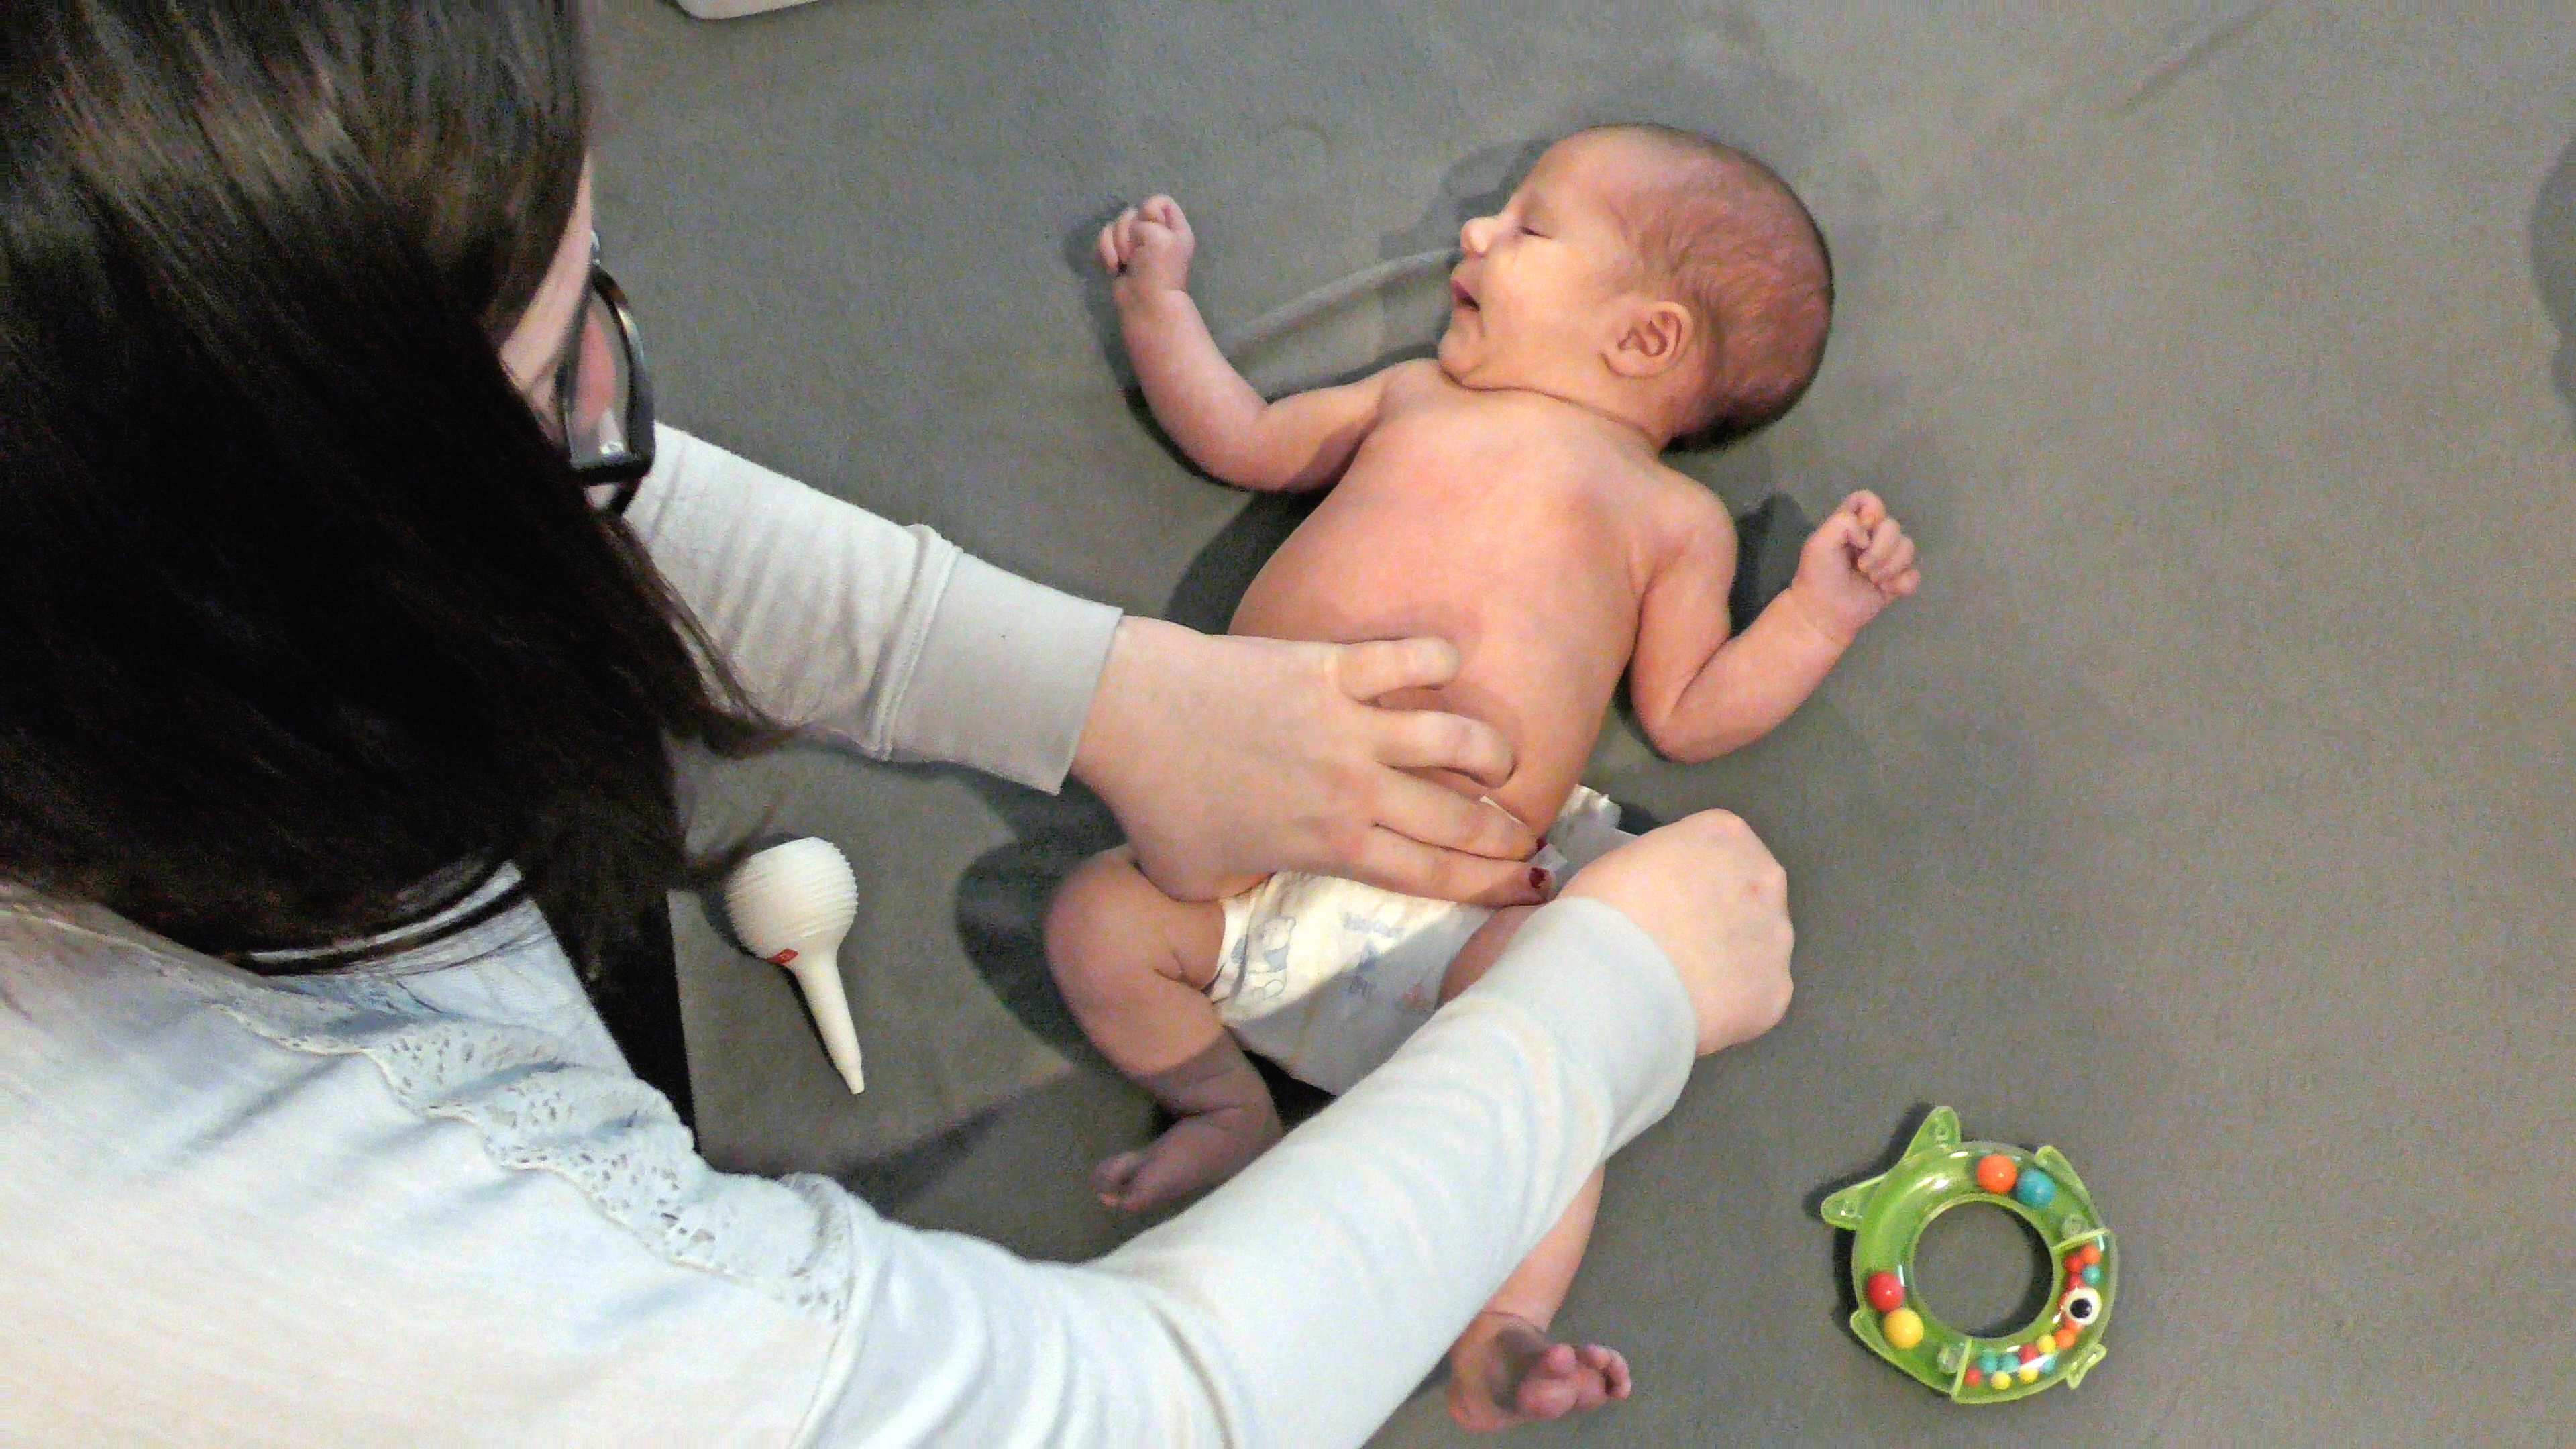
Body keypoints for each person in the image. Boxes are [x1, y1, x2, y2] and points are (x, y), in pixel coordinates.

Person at [0, 5, 1795, 1443]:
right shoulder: (240, 1235)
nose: (622, 431)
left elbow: (539, 500)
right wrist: (1597, 1012)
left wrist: (1113, 694)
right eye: (572, 373)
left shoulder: (131, 564)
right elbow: (1115, 1412)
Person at [1051, 126, 1919, 1430]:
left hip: (1460, 902)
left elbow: (1688, 713)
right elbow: (1242, 437)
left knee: (1554, 1021)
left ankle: (1503, 1327)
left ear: (1646, 341)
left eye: (1528, 227)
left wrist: (1816, 616)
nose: (1473, 237)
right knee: (1097, 922)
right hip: (1254, 844)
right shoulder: (1413, 399)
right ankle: (1221, 1102)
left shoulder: (1665, 520)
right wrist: (1158, 308)